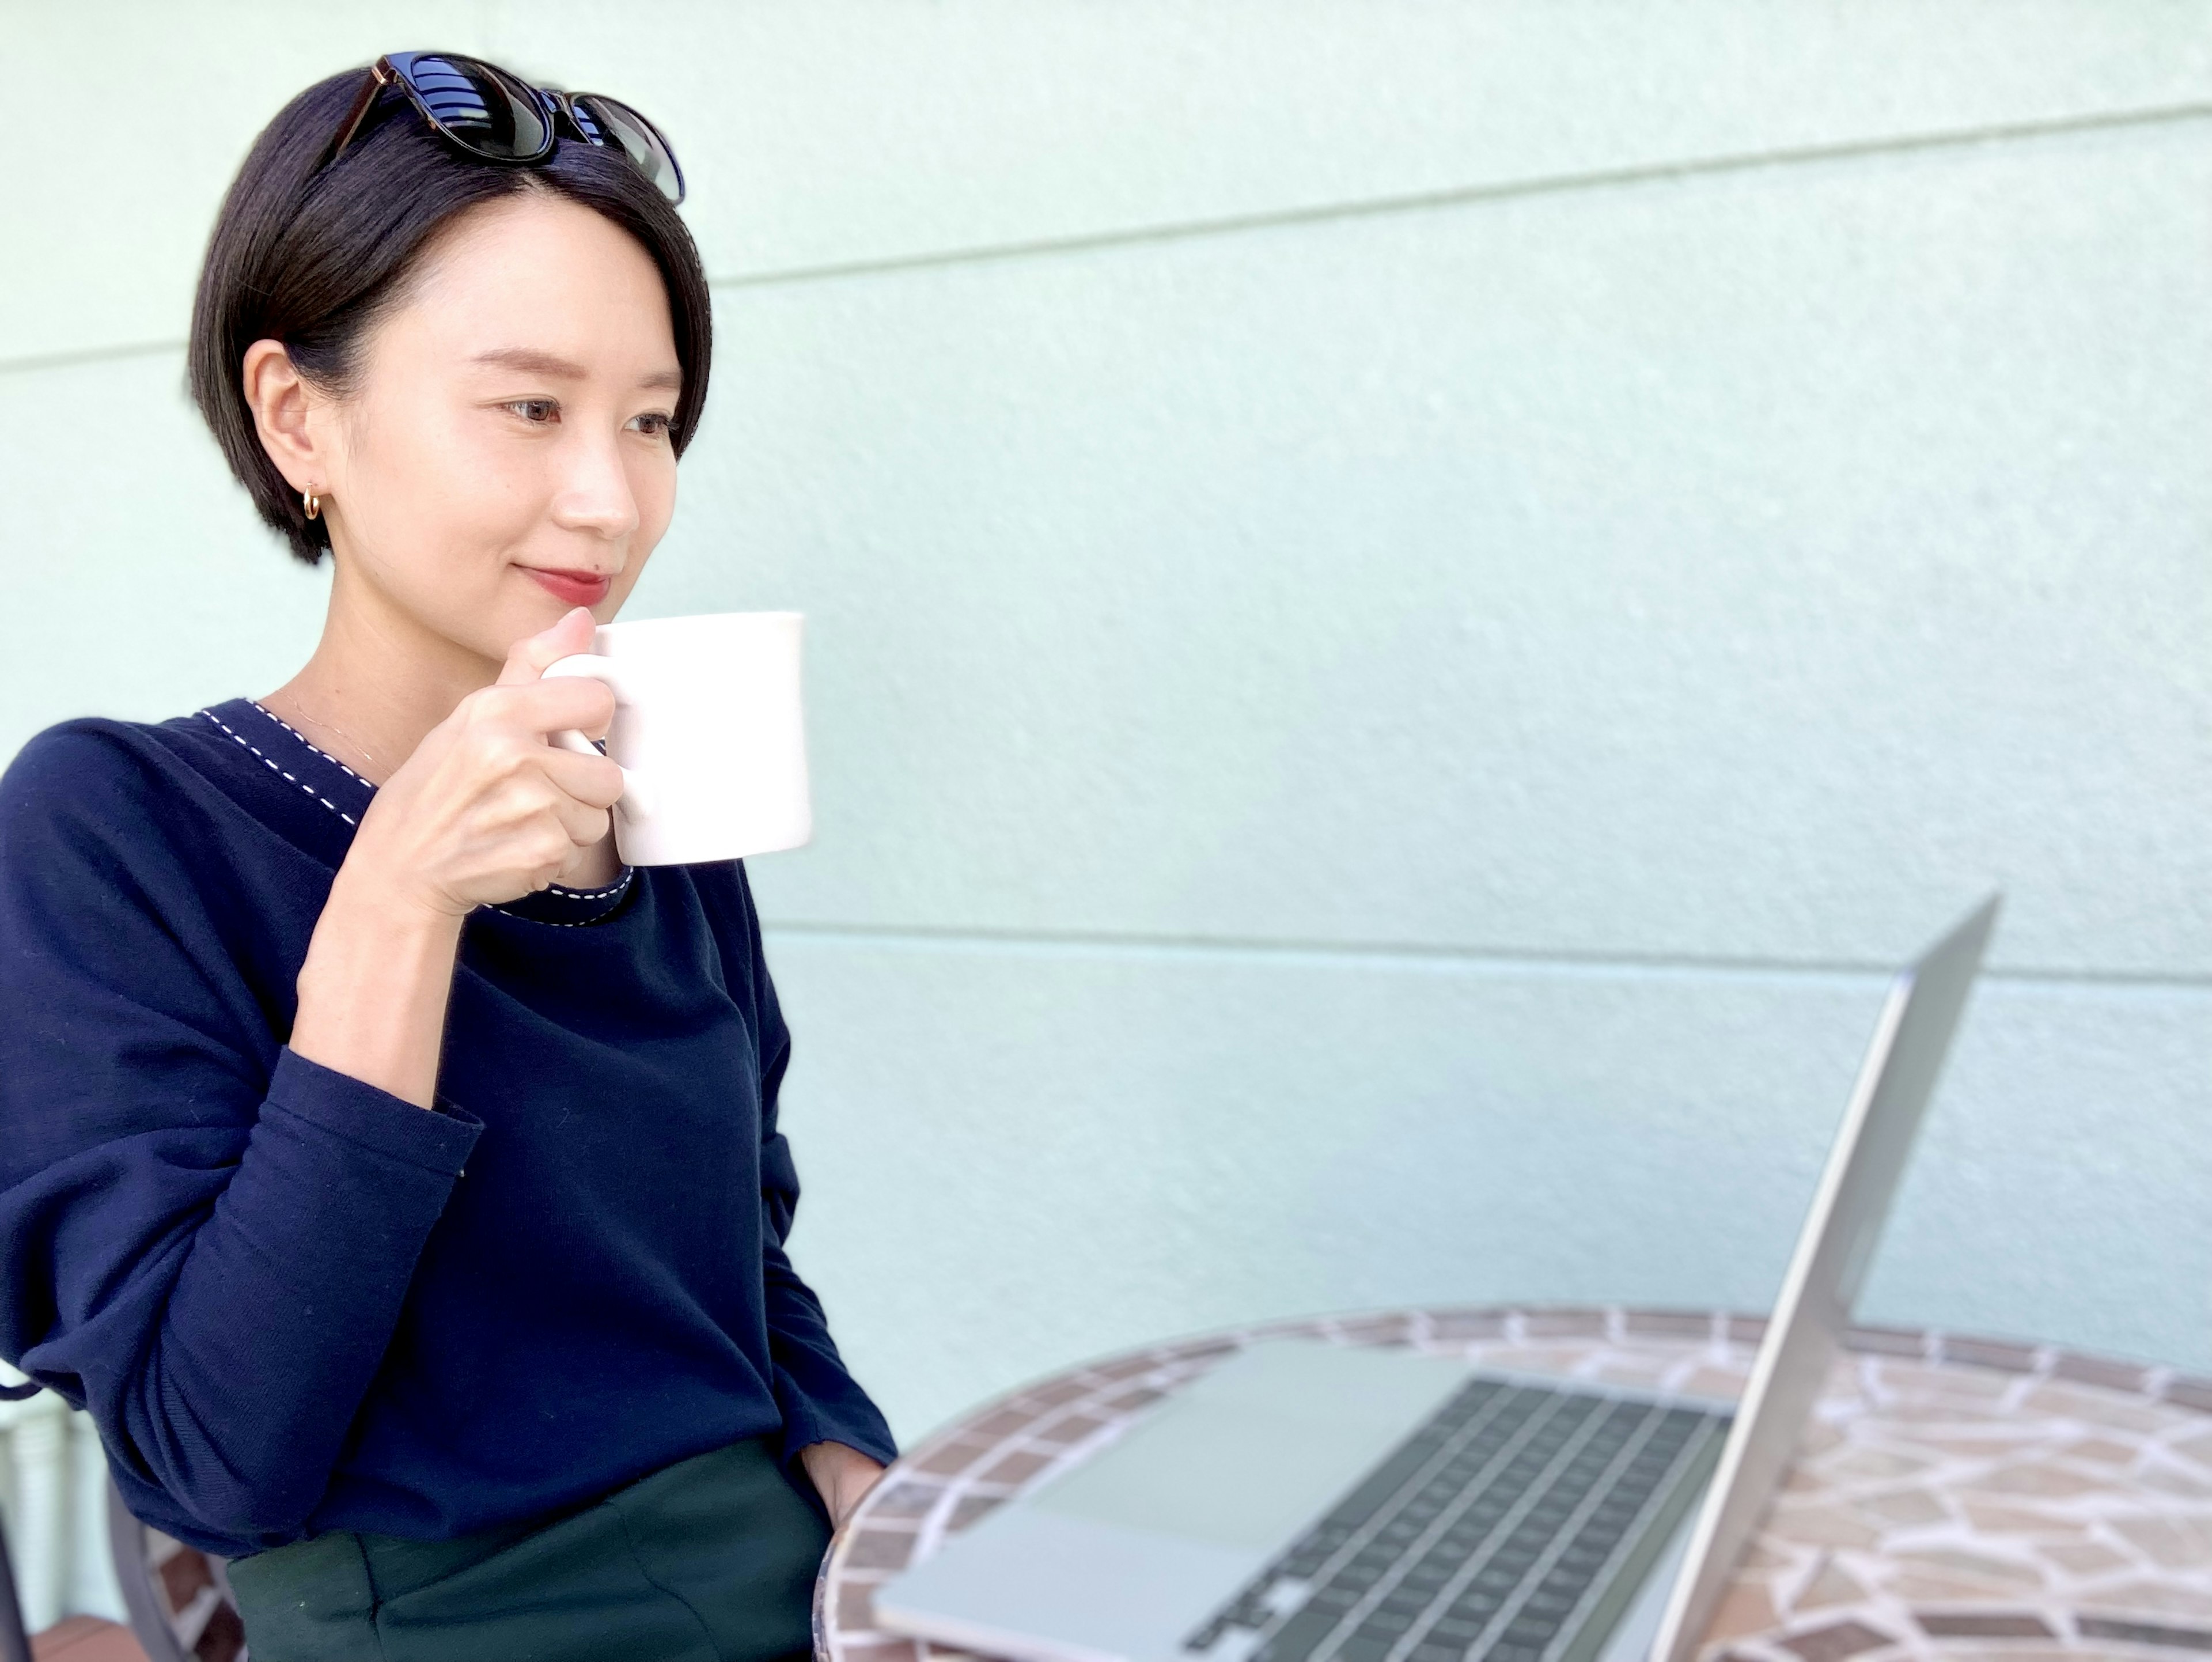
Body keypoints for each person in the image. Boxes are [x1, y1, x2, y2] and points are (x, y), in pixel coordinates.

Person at [0, 53, 893, 1661]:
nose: (610, 497)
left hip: (804, 1605)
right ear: (299, 417)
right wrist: (399, 904)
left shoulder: (649, 791)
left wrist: (858, 1470)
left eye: (651, 421)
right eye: (530, 407)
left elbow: (740, 1245)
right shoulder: (114, 831)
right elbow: (218, 1456)